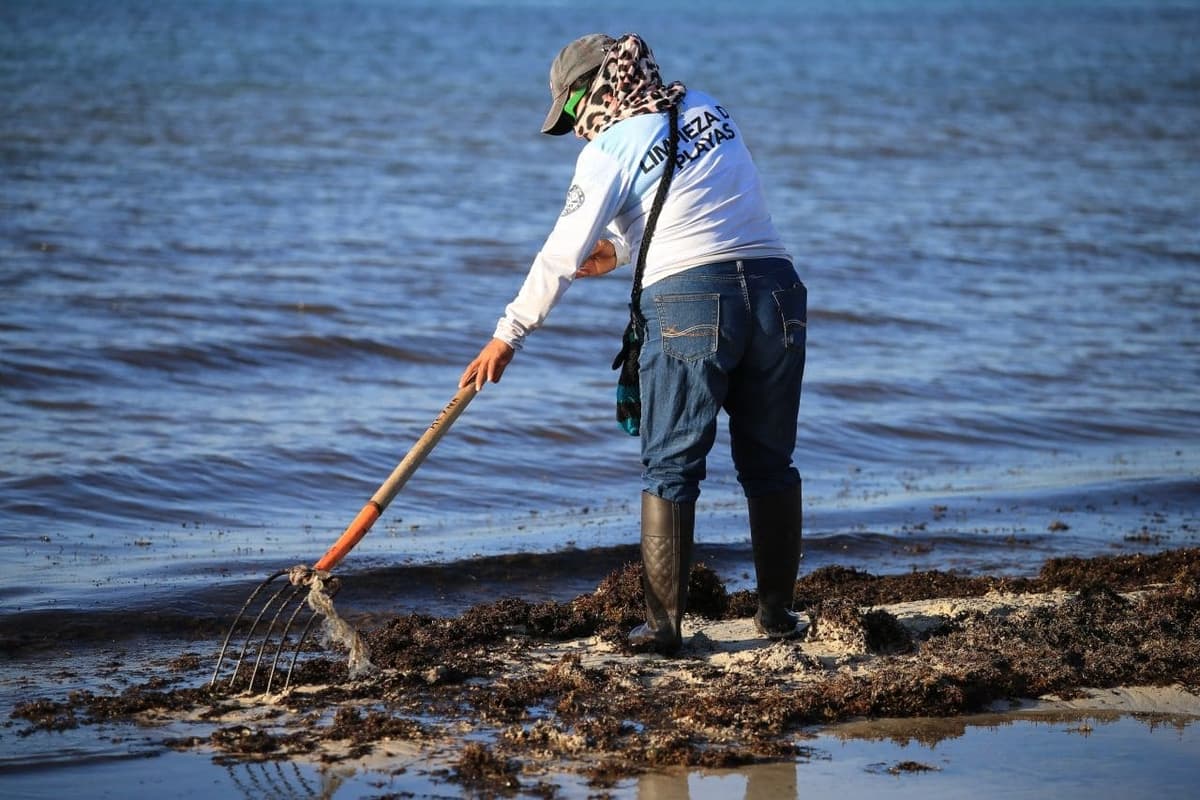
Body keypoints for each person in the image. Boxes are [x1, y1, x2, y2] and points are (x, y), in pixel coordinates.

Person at [462, 33, 807, 654]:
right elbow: (707, 203)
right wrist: (621, 251)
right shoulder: (707, 107)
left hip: (690, 303)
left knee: (671, 467)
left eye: (572, 112)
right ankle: (777, 616)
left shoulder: (608, 149)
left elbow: (558, 255)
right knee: (770, 463)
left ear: (597, 88)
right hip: (776, 292)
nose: (576, 130)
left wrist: (506, 335)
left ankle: (666, 630)